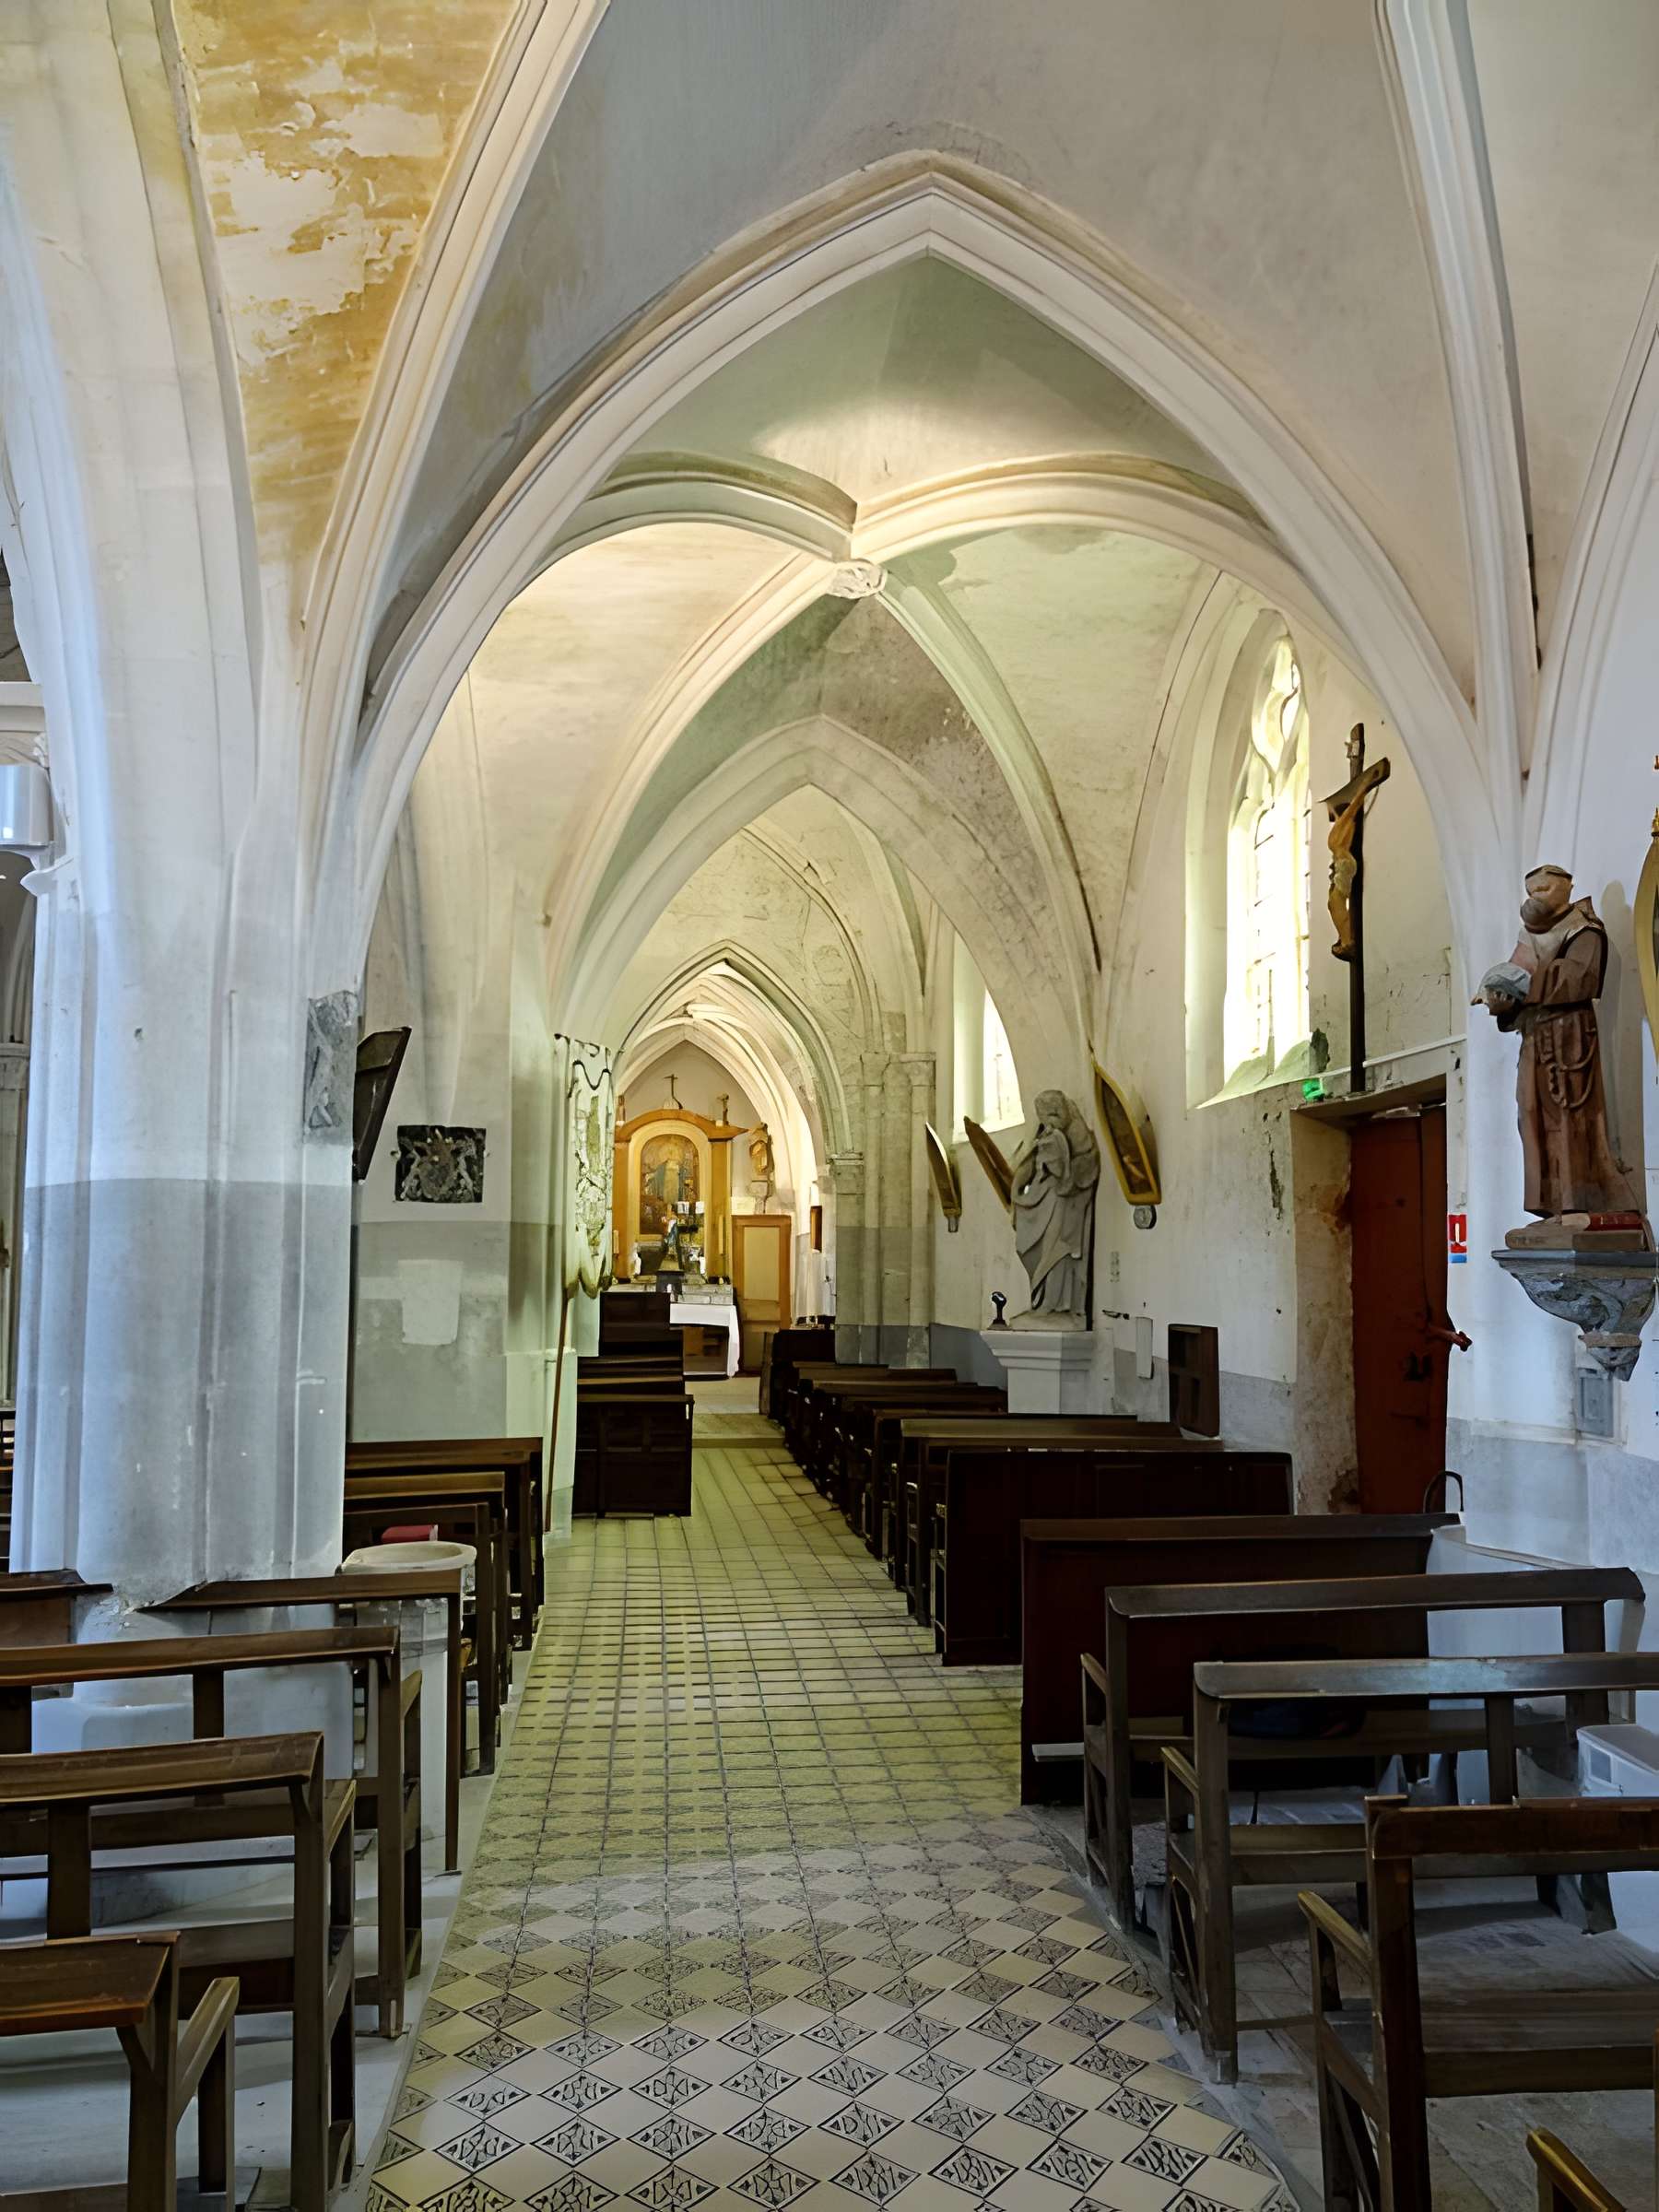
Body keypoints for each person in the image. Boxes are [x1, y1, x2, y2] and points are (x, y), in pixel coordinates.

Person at [1474, 865, 1638, 1221]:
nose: (1535, 898)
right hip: (1534, 1036)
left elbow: (1581, 977)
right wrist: (1501, 997)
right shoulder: (1529, 935)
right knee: (1530, 1116)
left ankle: (1577, 1200)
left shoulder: (1585, 929)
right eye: (1531, 892)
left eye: (1544, 890)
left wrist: (1523, 987)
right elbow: (1516, 973)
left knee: (1568, 1119)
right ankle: (1549, 1201)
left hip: (1569, 1036)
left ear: (1566, 889)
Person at [1009, 1089, 1100, 1324]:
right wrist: (1016, 1192)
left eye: (1053, 1113)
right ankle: (1041, 1301)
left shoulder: (1077, 1135)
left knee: (1057, 1248)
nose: (1048, 1119)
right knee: (1034, 1248)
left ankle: (1056, 1303)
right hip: (1043, 1197)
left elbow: (1082, 1170)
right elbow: (1026, 1165)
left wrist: (1061, 1164)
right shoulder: (1044, 1133)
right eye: (1044, 1115)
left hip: (1065, 1202)